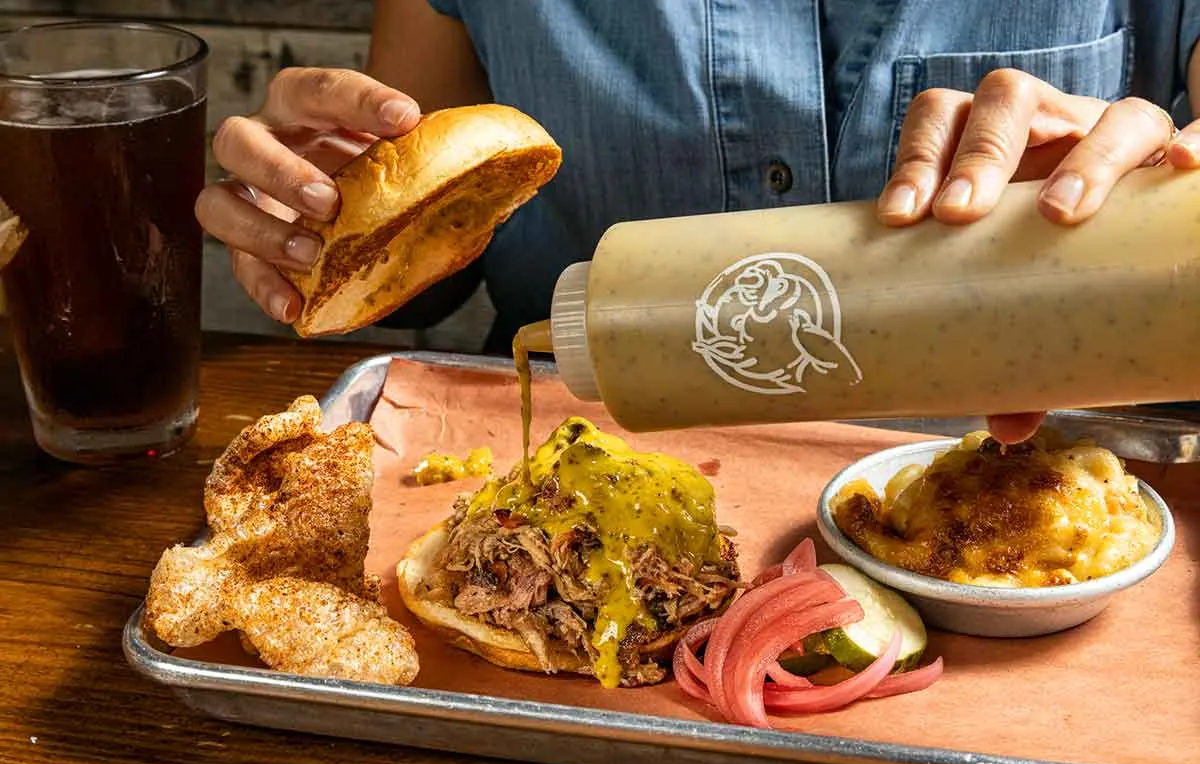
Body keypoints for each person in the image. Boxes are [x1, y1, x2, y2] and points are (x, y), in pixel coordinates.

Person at [194, 0, 1200, 443]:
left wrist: (1166, 181)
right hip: (552, 452)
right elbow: (426, 247)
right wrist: (316, 212)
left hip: (1034, 494)